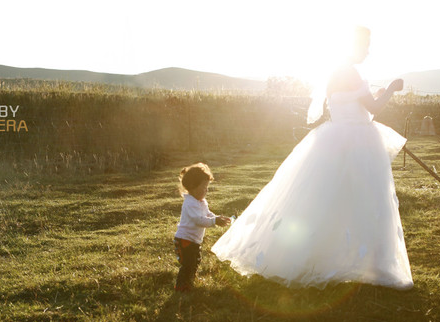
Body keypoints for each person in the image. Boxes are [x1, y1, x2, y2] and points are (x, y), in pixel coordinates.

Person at [212, 26, 413, 289]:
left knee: (325, 200)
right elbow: (373, 108)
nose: (367, 51)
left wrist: (374, 95)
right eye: (365, 45)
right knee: (368, 200)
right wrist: (391, 89)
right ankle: (376, 263)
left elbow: (351, 104)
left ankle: (316, 255)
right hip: (357, 141)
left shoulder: (335, 73)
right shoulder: (351, 72)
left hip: (334, 139)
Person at [174, 163, 231, 292]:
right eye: (204, 187)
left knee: (195, 262)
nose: (206, 190)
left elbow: (207, 214)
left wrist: (216, 217)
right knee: (188, 264)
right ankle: (181, 286)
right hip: (185, 240)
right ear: (193, 187)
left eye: (207, 187)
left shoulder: (201, 201)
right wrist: (214, 221)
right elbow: (199, 220)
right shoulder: (190, 203)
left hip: (194, 241)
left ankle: (189, 283)